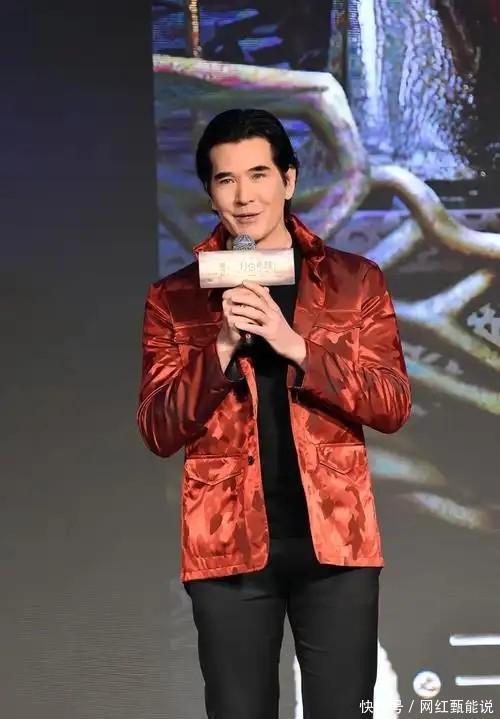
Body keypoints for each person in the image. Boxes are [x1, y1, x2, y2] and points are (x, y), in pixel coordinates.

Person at [136, 108, 412, 719]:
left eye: (259, 174)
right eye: (226, 179)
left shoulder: (354, 280)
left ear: (288, 180)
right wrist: (220, 350)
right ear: (210, 192)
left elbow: (392, 403)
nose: (244, 196)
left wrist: (297, 348)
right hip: (226, 547)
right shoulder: (177, 297)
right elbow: (158, 426)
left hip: (335, 542)